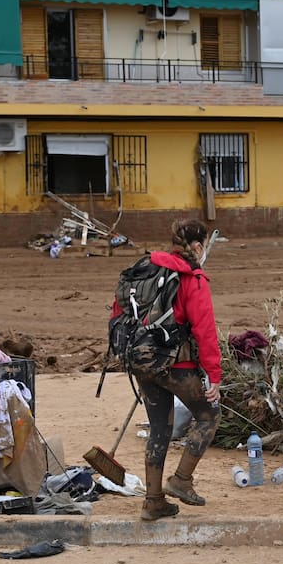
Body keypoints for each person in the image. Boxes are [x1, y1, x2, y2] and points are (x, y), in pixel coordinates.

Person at [116, 219, 222, 521]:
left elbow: (120, 311)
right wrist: (213, 374)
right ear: (198, 246)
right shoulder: (193, 279)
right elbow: (205, 330)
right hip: (178, 365)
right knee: (210, 415)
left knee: (159, 429)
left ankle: (153, 501)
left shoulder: (148, 269)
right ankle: (181, 480)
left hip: (142, 363)